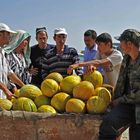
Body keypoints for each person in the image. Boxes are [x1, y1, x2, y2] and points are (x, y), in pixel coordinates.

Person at [98, 29, 140, 140]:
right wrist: (113, 102)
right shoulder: (126, 59)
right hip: (126, 105)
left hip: (138, 109)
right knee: (108, 124)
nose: (120, 45)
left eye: (121, 42)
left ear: (129, 44)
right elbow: (121, 84)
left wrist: (120, 100)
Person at [0, 23, 24, 99]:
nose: (10, 36)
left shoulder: (2, 52)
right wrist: (6, 90)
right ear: (0, 34)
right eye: (8, 34)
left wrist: (24, 86)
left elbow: (10, 73)